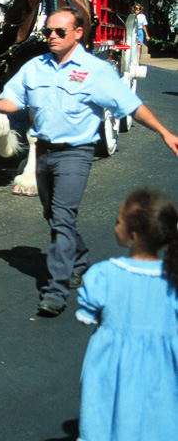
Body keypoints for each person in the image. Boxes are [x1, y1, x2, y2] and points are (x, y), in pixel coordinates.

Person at [0, 8, 178, 316]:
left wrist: (165, 133)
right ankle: (81, 258)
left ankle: (56, 290)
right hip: (43, 151)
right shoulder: (35, 67)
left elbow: (131, 106)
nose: (52, 37)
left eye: (60, 32)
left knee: (61, 216)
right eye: (48, 32)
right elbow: (13, 101)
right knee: (53, 214)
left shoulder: (95, 70)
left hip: (76, 153)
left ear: (78, 33)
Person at [75, 187, 178, 441]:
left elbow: (86, 316)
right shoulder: (172, 281)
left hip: (112, 367)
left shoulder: (104, 275)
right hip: (163, 369)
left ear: (132, 235)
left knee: (109, 417)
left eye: (117, 221)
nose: (114, 225)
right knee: (158, 417)